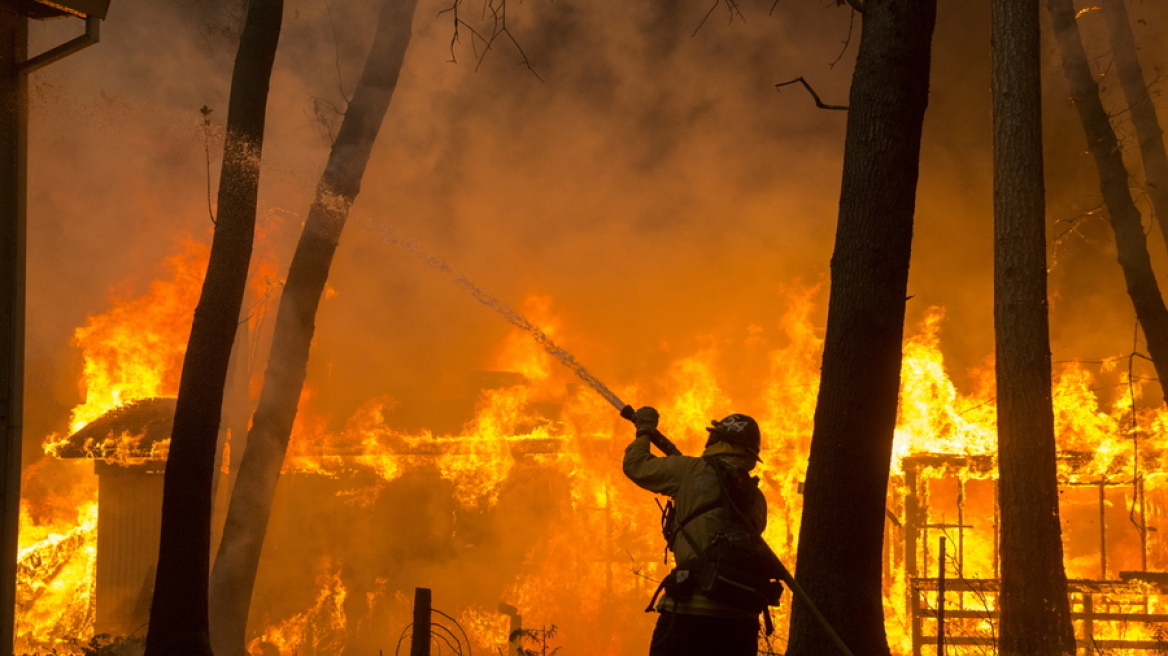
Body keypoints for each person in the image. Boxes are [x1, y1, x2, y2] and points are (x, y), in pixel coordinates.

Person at [622, 406, 776, 656]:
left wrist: (644, 432)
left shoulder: (690, 471)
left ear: (716, 440)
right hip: (742, 620)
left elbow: (636, 465)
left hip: (690, 612)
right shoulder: (756, 496)